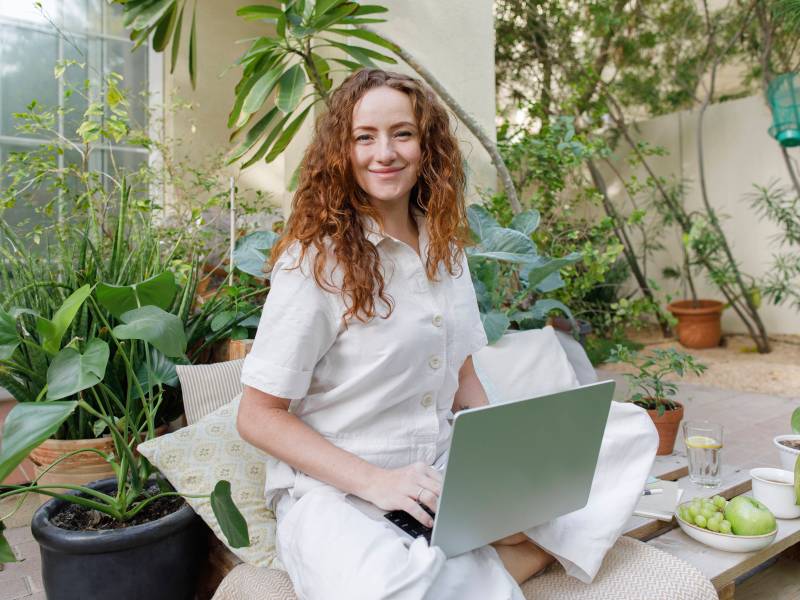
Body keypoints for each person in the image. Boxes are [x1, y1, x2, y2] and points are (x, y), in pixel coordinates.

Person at [237, 69, 658, 600]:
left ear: (426, 144)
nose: (384, 152)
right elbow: (257, 415)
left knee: (627, 432)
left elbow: (461, 373)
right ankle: (523, 553)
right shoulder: (313, 263)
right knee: (383, 591)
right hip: (338, 488)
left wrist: (499, 466)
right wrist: (375, 482)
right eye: (365, 136)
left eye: (403, 133)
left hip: (442, 468)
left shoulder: (445, 249)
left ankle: (480, 538)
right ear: (341, 150)